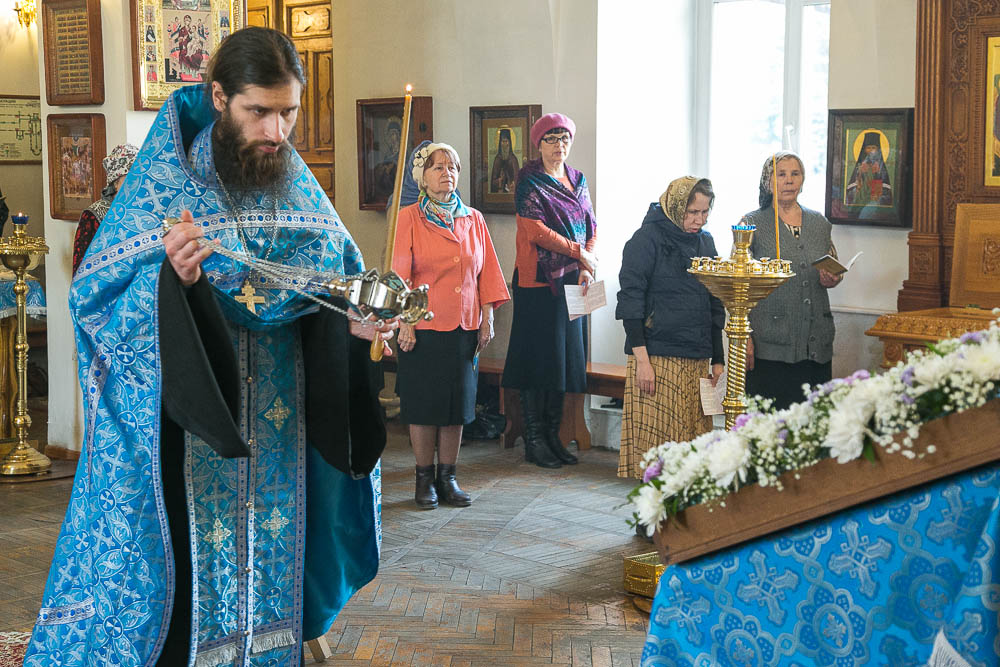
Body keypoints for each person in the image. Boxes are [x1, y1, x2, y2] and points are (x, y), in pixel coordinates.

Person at [25, 28, 395, 666]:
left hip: (280, 423)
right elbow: (97, 302)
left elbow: (334, 288)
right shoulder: (163, 186)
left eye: (289, 113)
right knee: (183, 579)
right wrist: (174, 283)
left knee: (276, 554)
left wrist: (355, 325)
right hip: (189, 425)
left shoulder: (298, 188)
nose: (276, 132)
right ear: (219, 97)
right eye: (259, 111)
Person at [393, 142, 509, 509]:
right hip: (423, 326)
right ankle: (423, 478)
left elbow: (487, 272)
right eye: (438, 167)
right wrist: (405, 323)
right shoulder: (409, 218)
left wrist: (487, 317)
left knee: (457, 407)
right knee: (424, 406)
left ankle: (448, 477)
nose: (447, 173)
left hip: (464, 326)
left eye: (453, 167)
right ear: (422, 177)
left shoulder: (473, 218)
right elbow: (399, 275)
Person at [502, 113, 597, 469]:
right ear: (538, 144)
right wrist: (579, 253)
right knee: (537, 359)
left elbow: (591, 225)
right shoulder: (528, 180)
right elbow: (535, 231)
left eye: (564, 139)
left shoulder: (578, 180)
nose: (559, 145)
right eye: (551, 139)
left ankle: (553, 436)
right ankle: (534, 439)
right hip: (537, 282)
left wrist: (586, 264)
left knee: (564, 360)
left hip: (572, 281)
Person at [615, 176, 725, 479]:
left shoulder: (705, 242)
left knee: (692, 445)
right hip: (657, 356)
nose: (699, 220)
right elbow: (631, 302)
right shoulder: (646, 239)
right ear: (676, 207)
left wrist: (718, 359)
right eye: (692, 212)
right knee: (659, 446)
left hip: (697, 354)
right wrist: (642, 362)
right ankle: (653, 505)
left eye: (705, 212)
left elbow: (715, 304)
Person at [744, 151, 843, 410]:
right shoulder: (750, 224)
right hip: (770, 345)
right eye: (781, 174)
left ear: (803, 179)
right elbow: (739, 285)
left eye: (795, 174)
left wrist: (831, 279)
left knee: (813, 420)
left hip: (815, 342)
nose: (789, 180)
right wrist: (745, 337)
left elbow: (832, 266)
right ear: (768, 181)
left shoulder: (819, 223)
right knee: (771, 424)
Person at [72, 143, 139, 275]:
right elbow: (80, 265)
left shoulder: (142, 210)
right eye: (129, 178)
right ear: (115, 183)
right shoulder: (94, 214)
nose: (134, 183)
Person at [846, 131, 893, 206]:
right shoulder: (859, 166)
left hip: (876, 203)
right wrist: (858, 188)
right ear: (864, 149)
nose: (871, 150)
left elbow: (886, 190)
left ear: (878, 150)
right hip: (860, 200)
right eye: (868, 148)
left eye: (873, 148)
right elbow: (851, 190)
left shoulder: (881, 167)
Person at [490, 126, 519, 193]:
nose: (504, 144)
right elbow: (493, 182)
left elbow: (517, 178)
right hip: (500, 193)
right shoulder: (497, 159)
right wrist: (500, 180)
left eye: (506, 141)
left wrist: (513, 183)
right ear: (500, 143)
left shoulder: (513, 159)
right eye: (503, 141)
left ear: (509, 143)